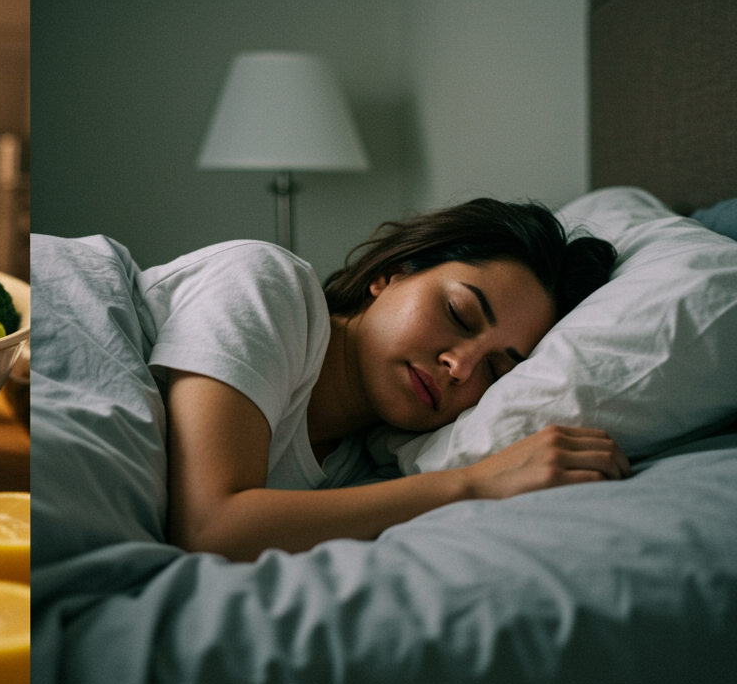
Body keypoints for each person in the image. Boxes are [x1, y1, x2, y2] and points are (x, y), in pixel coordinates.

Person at [149, 197, 627, 561]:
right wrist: (476, 483)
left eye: (496, 369)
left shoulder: (364, 465)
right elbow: (209, 528)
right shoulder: (266, 285)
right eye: (459, 315)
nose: (460, 367)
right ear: (389, 275)